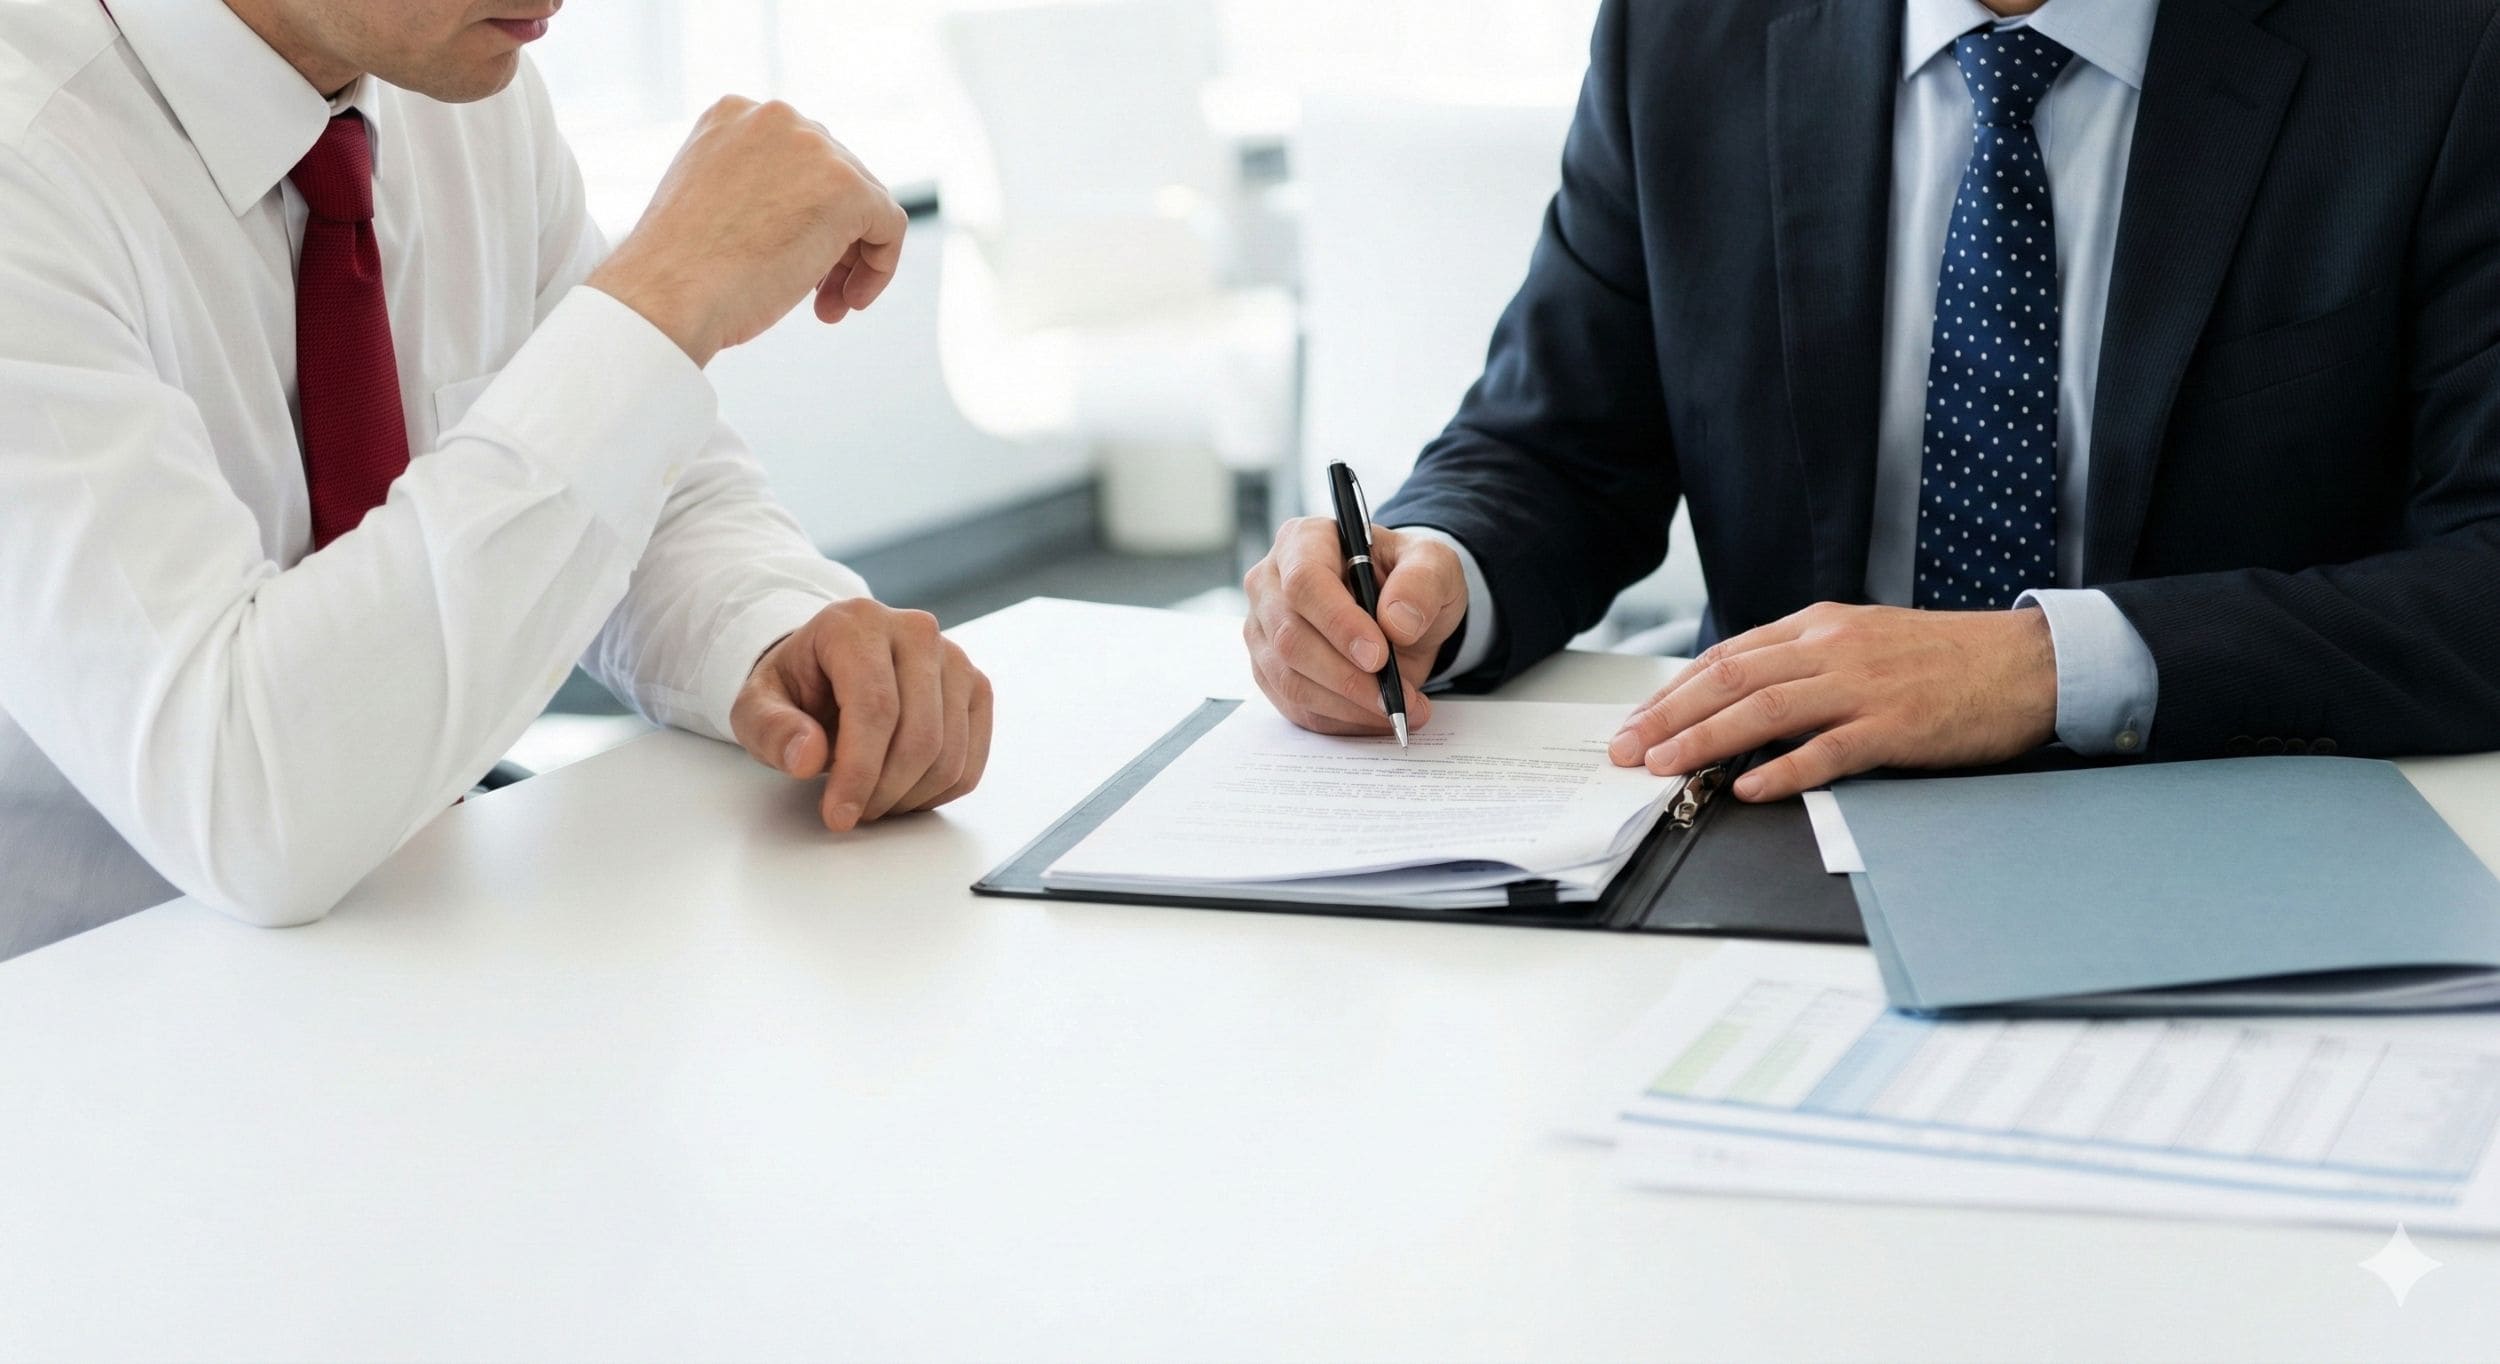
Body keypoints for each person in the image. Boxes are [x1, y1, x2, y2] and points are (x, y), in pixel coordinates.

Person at [1245, 0, 2500, 802]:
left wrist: (2034, 668)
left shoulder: (2440, 48)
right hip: (1760, 809)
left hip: (2230, 806)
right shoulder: (1684, 32)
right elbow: (1557, 446)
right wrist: (1425, 582)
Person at [0, 0, 995, 957]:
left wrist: (776, 628)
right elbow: (242, 797)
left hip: (416, 928)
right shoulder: (29, 167)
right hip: (83, 1008)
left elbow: (631, 487)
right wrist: (662, 297)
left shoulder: (455, 85)